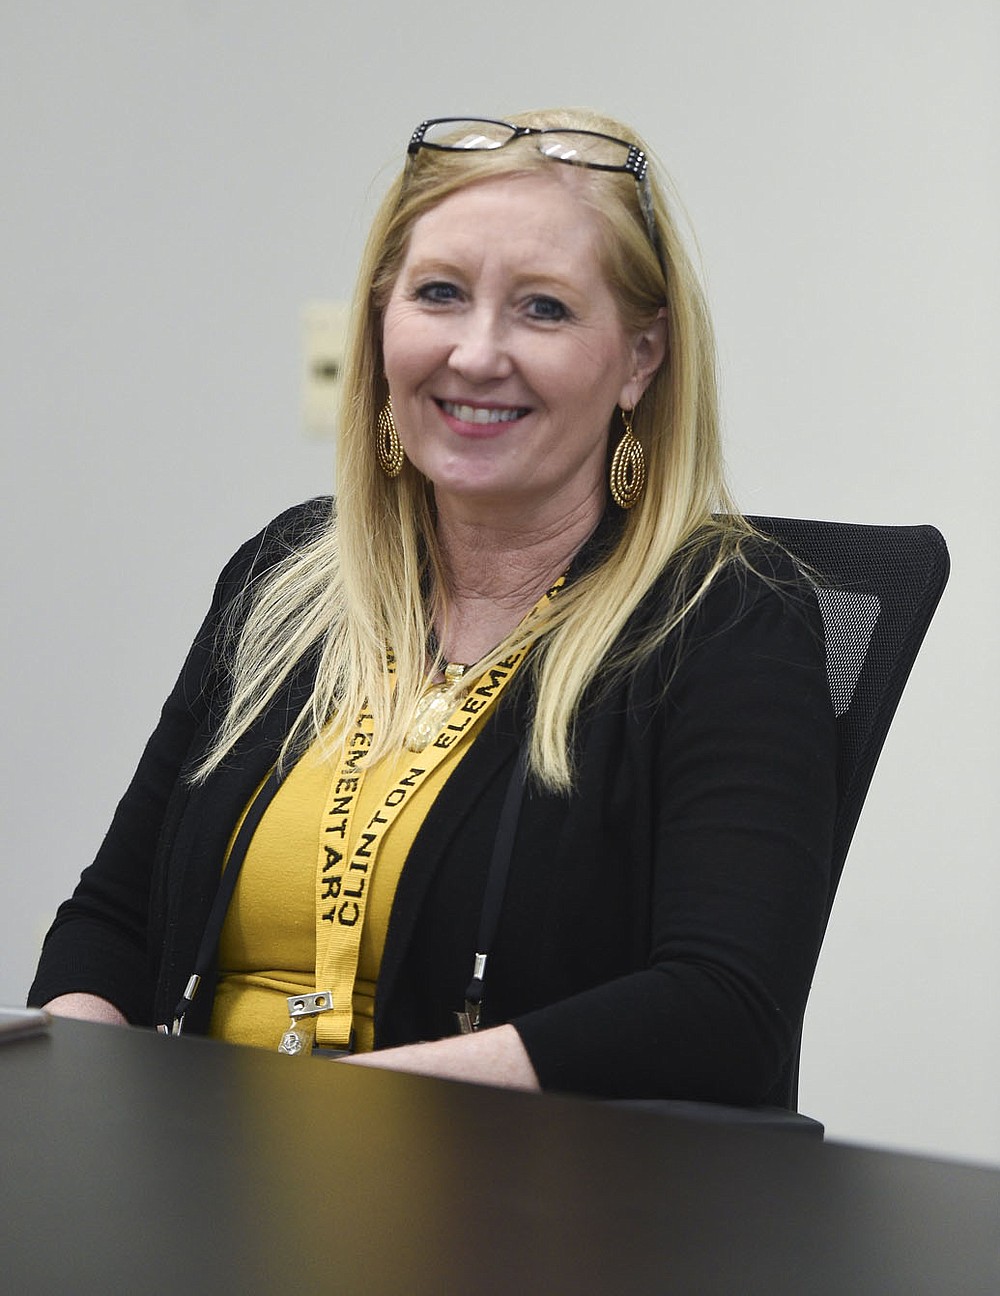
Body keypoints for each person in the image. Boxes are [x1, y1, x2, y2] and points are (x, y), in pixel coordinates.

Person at [29, 110, 837, 1103]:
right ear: (381, 321)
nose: (475, 352)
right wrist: (76, 1097)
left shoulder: (725, 619)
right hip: (194, 1184)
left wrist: (343, 1117)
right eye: (439, 295)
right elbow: (110, 920)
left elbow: (722, 1009)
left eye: (542, 309)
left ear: (638, 358)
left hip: (504, 1214)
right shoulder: (287, 579)